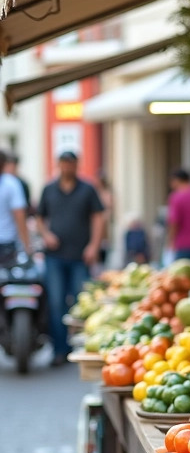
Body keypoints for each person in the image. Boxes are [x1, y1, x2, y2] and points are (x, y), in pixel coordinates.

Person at [36, 151, 106, 365]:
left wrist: (94, 246)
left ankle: (80, 347)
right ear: (59, 165)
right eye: (64, 164)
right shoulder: (49, 189)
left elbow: (98, 217)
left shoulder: (87, 189)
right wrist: (46, 235)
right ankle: (59, 349)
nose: (68, 167)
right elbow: (39, 217)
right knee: (56, 303)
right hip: (54, 256)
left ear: (77, 165)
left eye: (72, 164)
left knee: (79, 303)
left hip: (79, 255)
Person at [0, 150, 33, 263]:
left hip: (7, 241)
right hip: (7, 243)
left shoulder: (13, 183)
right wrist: (27, 246)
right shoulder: (11, 183)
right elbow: (19, 216)